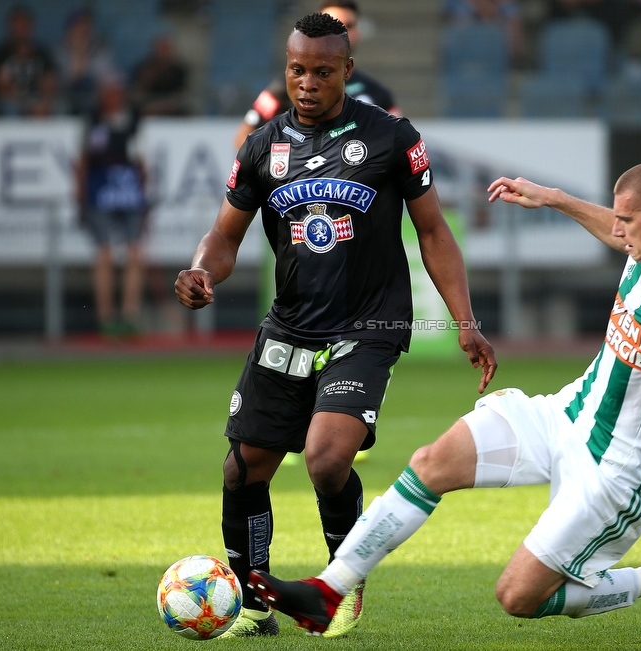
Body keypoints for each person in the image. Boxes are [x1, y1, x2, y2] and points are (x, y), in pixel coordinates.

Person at [249, 160, 641, 635]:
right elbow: (612, 229)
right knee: (432, 462)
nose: (619, 230)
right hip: (564, 414)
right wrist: (551, 197)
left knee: (519, 597)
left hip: (614, 471)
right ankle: (328, 592)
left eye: (627, 221)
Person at [173, 12, 496, 640]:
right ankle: (253, 601)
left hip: (368, 325)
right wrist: (200, 271)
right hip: (289, 326)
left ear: (347, 71)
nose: (308, 82)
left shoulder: (391, 137)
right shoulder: (264, 145)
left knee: (325, 458)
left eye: (323, 71)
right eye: (297, 69)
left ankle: (339, 588)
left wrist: (466, 320)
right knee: (244, 467)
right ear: (286, 69)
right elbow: (224, 234)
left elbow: (433, 230)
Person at [232, 0, 400, 151]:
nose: (342, 32)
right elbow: (244, 136)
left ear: (358, 32)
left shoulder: (377, 93)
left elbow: (401, 143)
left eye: (348, 25)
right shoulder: (285, 88)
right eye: (334, 25)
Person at [77, 76, 148, 336]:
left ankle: (130, 315)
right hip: (100, 193)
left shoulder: (134, 122)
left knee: (133, 254)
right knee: (104, 253)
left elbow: (142, 164)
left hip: (129, 193)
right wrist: (81, 197)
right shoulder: (92, 123)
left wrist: (144, 198)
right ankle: (105, 317)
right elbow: (82, 163)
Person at [0, 4, 58, 116]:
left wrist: (40, 102)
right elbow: (1, 86)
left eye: (23, 25)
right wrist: (26, 103)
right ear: (9, 27)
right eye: (16, 25)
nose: (20, 30)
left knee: (57, 106)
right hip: (11, 102)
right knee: (9, 108)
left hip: (37, 102)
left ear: (31, 27)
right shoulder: (0, 54)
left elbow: (49, 85)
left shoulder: (42, 54)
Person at [54, 9, 117, 116]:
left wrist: (84, 53)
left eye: (85, 26)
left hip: (94, 98)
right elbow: (65, 80)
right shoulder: (60, 51)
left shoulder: (101, 48)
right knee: (60, 104)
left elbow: (103, 77)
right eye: (78, 26)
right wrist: (78, 53)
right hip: (67, 97)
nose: (82, 30)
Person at [130, 34, 190, 116]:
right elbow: (137, 94)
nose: (164, 51)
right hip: (148, 108)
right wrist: (146, 81)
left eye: (166, 48)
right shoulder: (144, 69)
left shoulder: (179, 70)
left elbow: (181, 95)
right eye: (161, 48)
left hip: (172, 108)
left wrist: (162, 106)